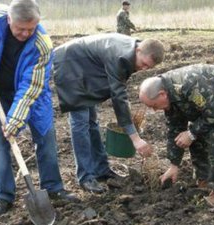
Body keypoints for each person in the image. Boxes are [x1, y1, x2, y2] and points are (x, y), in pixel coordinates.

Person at [0, 0, 77, 216]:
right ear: (9, 20)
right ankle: (3, 196)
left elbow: (30, 87)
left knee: (45, 137)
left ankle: (53, 188)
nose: (25, 33)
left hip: (31, 93)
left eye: (30, 29)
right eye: (20, 28)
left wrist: (15, 121)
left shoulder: (42, 44)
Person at [53, 33, 165, 194]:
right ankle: (85, 177)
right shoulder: (121, 56)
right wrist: (135, 138)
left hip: (86, 69)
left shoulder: (133, 53)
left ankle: (101, 170)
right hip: (70, 65)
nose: (144, 69)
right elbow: (118, 97)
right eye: (144, 64)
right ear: (139, 50)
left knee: (92, 122)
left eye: (149, 68)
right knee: (81, 123)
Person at [139, 64, 214, 207]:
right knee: (194, 134)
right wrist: (174, 165)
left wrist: (191, 133)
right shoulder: (170, 97)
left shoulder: (189, 84)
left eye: (153, 105)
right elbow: (175, 130)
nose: (154, 110)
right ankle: (204, 180)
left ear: (162, 94)